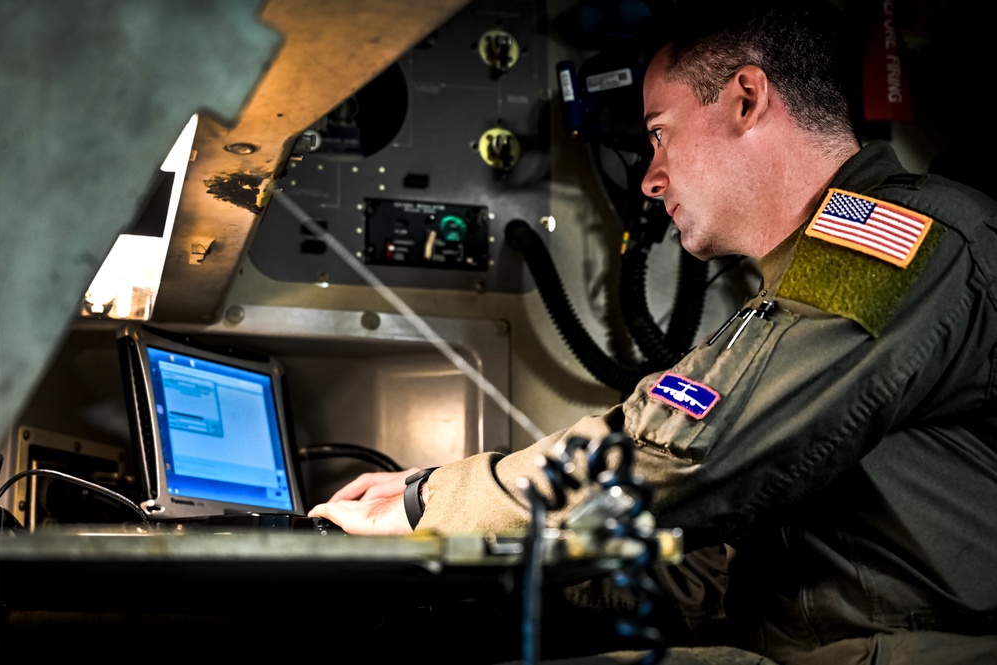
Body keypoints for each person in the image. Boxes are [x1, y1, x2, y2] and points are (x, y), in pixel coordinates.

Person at [310, 1, 997, 662]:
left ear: (746, 99)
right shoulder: (806, 286)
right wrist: (473, 574)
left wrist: (427, 506)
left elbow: (684, 455)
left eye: (659, 132)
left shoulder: (899, 244)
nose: (650, 177)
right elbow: (719, 566)